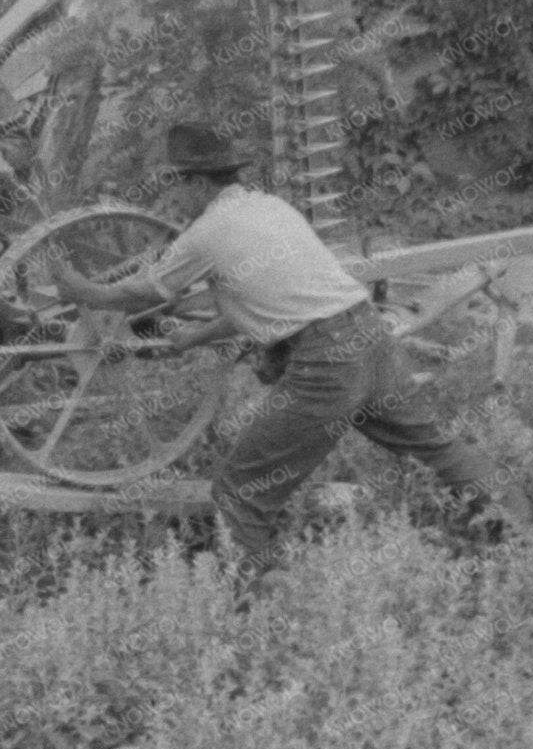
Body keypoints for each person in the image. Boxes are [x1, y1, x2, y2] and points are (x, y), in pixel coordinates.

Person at [57, 122, 509, 567]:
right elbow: (267, 300)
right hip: (371, 337)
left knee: (239, 489)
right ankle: (518, 531)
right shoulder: (272, 208)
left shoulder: (206, 233)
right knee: (435, 446)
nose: (174, 199)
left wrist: (85, 292)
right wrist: (194, 336)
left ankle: (256, 604)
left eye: (176, 185)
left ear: (194, 181)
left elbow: (144, 292)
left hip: (326, 363)